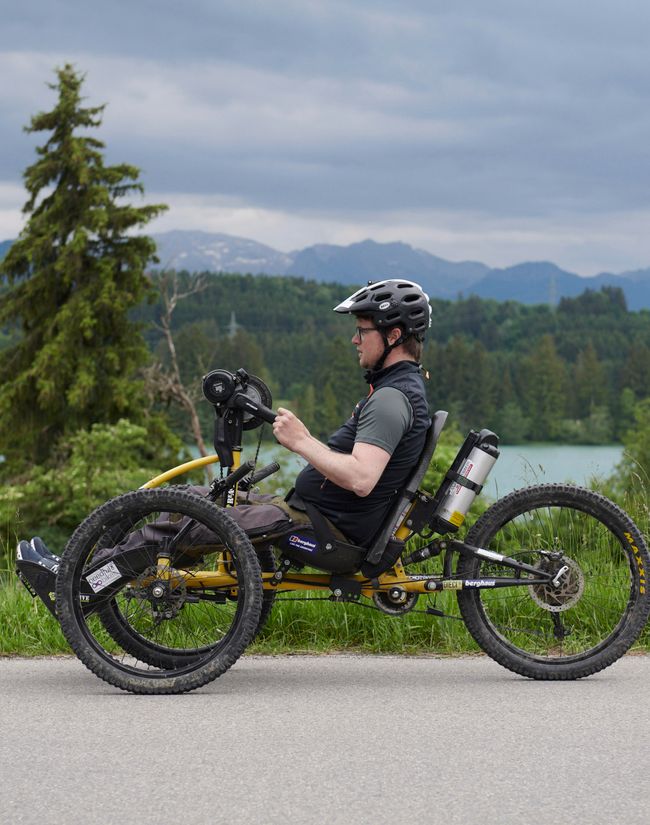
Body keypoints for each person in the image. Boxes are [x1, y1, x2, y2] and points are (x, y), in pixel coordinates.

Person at [21, 279, 432, 569]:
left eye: (362, 331)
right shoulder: (396, 391)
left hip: (321, 532)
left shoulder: (392, 400)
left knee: (188, 524)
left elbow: (361, 478)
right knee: (185, 498)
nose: (355, 340)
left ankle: (75, 584)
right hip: (310, 517)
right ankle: (83, 567)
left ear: (393, 335)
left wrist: (302, 441)